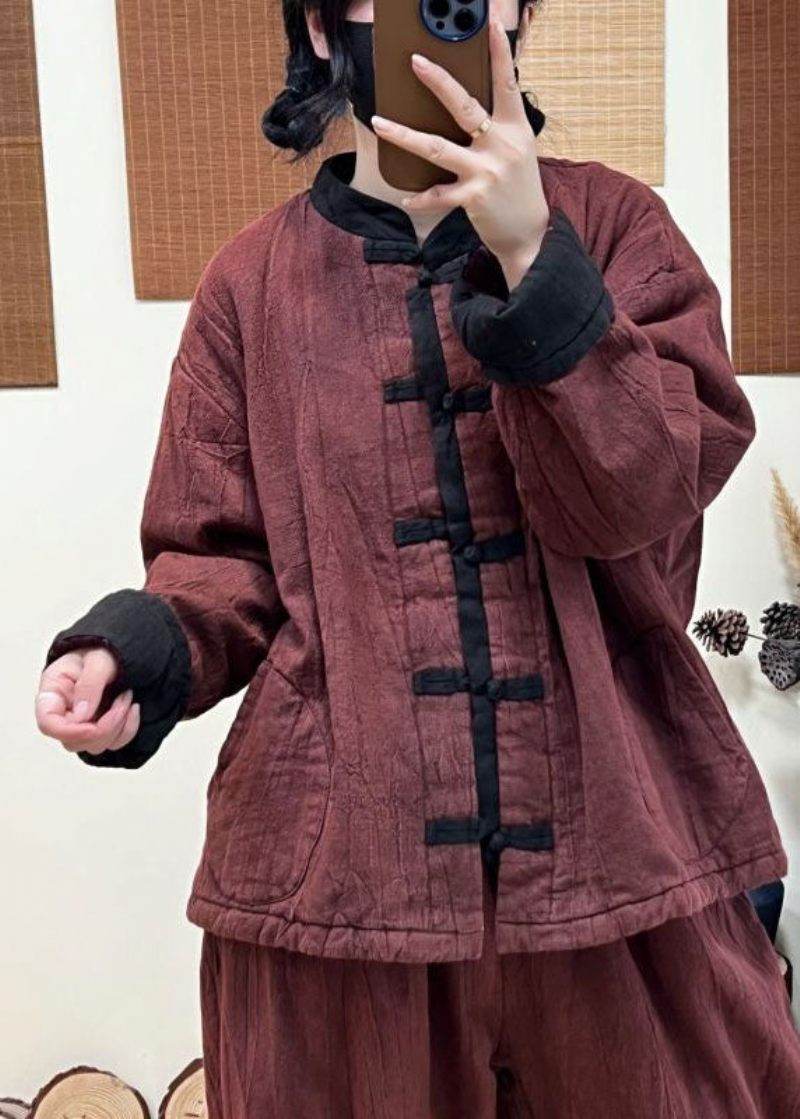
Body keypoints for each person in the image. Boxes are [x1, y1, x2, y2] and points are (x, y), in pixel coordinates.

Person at [35, 0, 800, 1114]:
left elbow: (643, 494)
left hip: (619, 863)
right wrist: (135, 648)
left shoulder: (619, 229)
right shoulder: (251, 285)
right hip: (345, 886)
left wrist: (532, 255)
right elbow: (219, 556)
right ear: (319, 30)